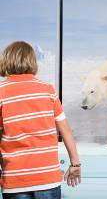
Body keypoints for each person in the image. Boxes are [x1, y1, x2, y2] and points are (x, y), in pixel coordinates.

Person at [0, 41, 81, 199]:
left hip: (15, 180)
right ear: (32, 61)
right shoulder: (47, 90)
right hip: (48, 178)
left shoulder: (1, 92)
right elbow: (66, 131)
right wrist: (75, 164)